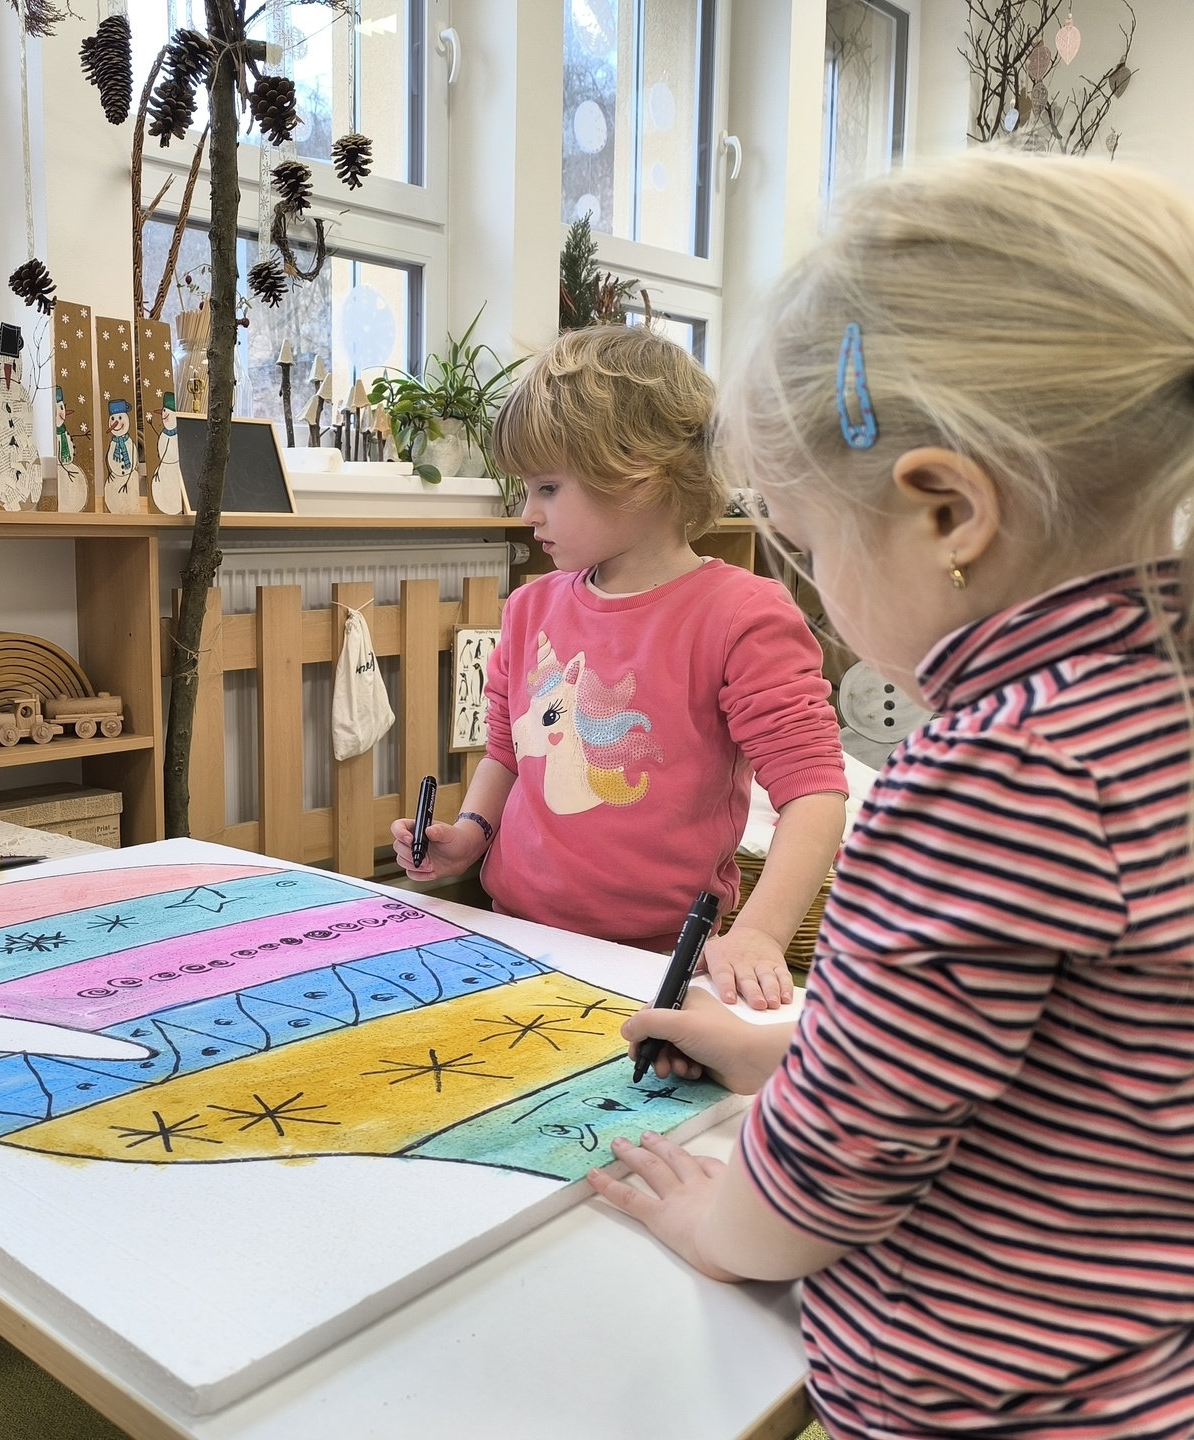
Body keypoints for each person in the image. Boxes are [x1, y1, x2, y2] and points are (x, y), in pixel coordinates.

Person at [589, 150, 1194, 1439]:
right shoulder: (1158, 701)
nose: (813, 590)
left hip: (987, 1406)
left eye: (808, 547)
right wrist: (783, 1046)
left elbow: (836, 1166)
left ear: (949, 513)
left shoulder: (998, 766)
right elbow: (1055, 1052)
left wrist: (719, 1221)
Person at [394, 325, 847, 1008]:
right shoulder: (528, 608)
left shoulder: (742, 615)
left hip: (661, 964)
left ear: (636, 473)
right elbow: (507, 755)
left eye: (548, 487)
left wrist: (759, 934)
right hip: (514, 935)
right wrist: (468, 836)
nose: (527, 512)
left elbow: (814, 794)